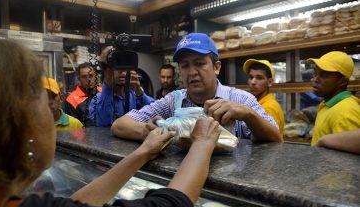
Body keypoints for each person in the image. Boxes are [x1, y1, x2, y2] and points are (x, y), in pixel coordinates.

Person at [0, 39, 222, 207]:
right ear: (19, 122)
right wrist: (202, 143)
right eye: (44, 100)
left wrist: (141, 153)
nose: (53, 110)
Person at [112, 33, 282, 143]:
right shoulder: (174, 100)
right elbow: (119, 125)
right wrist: (145, 131)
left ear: (216, 67)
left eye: (200, 64)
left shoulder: (240, 100)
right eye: (185, 66)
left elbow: (276, 139)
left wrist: (249, 115)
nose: (192, 72)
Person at [92, 46, 155, 127]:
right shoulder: (97, 100)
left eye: (124, 66)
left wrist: (139, 92)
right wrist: (106, 66)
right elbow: (103, 123)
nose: (121, 71)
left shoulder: (133, 97)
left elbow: (155, 110)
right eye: (117, 66)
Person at [307, 51, 360, 145]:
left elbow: (348, 158)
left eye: (324, 75)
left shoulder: (344, 113)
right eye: (315, 73)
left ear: (342, 81)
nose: (315, 79)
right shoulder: (329, 105)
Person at [243, 59, 285, 136]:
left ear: (270, 82)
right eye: (251, 77)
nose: (253, 82)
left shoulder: (268, 108)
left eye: (259, 78)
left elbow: (269, 140)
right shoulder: (258, 104)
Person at [64, 62, 102, 127]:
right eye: (84, 77)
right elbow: (74, 127)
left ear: (95, 75)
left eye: (91, 76)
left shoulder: (103, 92)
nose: (89, 79)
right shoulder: (71, 99)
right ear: (79, 79)